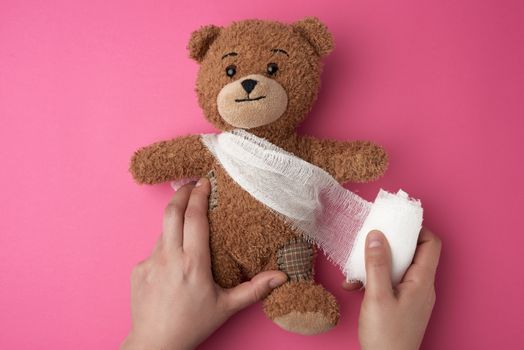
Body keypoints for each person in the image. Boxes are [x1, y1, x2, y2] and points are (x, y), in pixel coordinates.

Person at [121, 178, 441, 350]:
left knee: (294, 273)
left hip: (288, 248)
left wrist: (149, 340)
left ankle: (297, 298)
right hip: (222, 259)